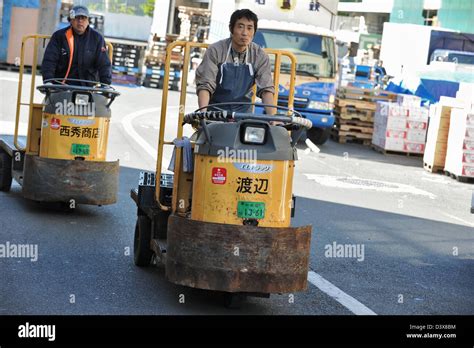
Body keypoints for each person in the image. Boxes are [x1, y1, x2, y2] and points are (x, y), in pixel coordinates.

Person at [195, 9, 275, 114]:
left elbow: (266, 89)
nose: (245, 33)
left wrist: (273, 118)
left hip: (243, 114)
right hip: (215, 111)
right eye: (240, 27)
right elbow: (205, 85)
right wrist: (203, 113)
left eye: (249, 28)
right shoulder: (215, 50)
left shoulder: (259, 55)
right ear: (231, 28)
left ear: (254, 31)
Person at [42, 5, 111, 86]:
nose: (80, 21)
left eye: (83, 18)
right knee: (50, 99)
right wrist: (48, 81)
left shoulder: (97, 39)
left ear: (88, 21)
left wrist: (106, 84)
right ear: (71, 20)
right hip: (61, 85)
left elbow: (104, 64)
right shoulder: (59, 36)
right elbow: (50, 60)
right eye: (77, 17)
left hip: (88, 87)